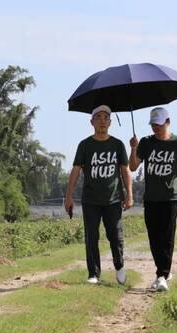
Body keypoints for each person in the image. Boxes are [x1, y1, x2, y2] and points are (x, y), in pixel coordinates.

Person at [129, 107, 177, 292]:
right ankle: (164, 272)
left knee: (167, 237)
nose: (156, 128)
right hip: (151, 197)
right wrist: (133, 148)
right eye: (153, 124)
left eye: (159, 124)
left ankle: (161, 275)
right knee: (154, 237)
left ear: (168, 121)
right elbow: (132, 167)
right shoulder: (146, 142)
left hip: (171, 197)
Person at [64, 105, 134, 285]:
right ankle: (93, 273)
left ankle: (119, 266)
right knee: (91, 236)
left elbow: (125, 171)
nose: (102, 121)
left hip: (113, 199)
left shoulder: (117, 144)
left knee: (115, 235)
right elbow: (76, 170)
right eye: (98, 117)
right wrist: (69, 196)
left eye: (106, 118)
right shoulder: (85, 145)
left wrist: (129, 195)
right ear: (92, 122)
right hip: (91, 199)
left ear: (110, 122)